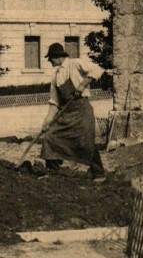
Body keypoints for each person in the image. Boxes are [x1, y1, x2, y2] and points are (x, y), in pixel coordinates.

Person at [35, 42, 107, 181]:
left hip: (82, 110)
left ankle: (99, 174)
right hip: (66, 113)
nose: (49, 61)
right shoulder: (56, 77)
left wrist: (82, 85)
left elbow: (98, 70)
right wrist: (47, 121)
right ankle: (52, 171)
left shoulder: (75, 63)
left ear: (57, 57)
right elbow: (54, 102)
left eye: (50, 58)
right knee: (51, 136)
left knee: (85, 141)